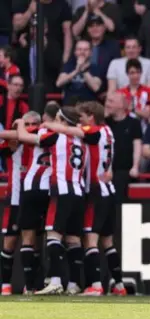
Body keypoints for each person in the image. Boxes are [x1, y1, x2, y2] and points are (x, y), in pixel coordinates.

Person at [44, 101, 125, 296]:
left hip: (95, 191)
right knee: (108, 242)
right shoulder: (109, 131)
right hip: (108, 189)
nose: (79, 121)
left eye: (82, 117)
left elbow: (79, 131)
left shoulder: (93, 130)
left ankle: (95, 285)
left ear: (90, 116)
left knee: (90, 239)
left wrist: (47, 124)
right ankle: (119, 285)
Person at [18, 107, 87, 295]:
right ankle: (74, 283)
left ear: (63, 121)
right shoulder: (82, 140)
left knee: (53, 234)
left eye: (57, 119)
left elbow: (25, 138)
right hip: (79, 191)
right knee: (73, 239)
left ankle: (55, 281)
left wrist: (20, 125)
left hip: (61, 190)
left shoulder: (56, 137)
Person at [0, 111, 41, 295]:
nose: (30, 126)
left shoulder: (41, 142)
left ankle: (31, 285)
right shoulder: (14, 143)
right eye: (27, 123)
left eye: (33, 123)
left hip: (34, 198)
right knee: (9, 243)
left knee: (34, 244)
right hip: (15, 200)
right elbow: (9, 139)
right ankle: (5, 284)